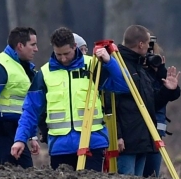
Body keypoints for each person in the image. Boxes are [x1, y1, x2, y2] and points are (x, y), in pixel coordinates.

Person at [39, 26, 128, 169]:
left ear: (75, 46)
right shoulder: (45, 72)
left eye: (66, 53)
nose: (63, 58)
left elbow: (124, 85)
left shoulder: (92, 65)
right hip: (60, 147)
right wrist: (22, 138)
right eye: (58, 54)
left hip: (93, 143)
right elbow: (31, 109)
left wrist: (109, 62)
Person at [110, 24, 181, 178]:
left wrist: (167, 89)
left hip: (143, 137)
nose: (151, 48)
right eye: (149, 44)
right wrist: (117, 135)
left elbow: (150, 103)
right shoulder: (118, 66)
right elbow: (111, 104)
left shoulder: (140, 67)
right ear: (141, 44)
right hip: (127, 140)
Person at [0, 26, 44, 167]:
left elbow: (26, 105)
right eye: (33, 45)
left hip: (17, 132)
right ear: (20, 46)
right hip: (0, 134)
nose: (36, 49)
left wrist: (32, 135)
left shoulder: (24, 67)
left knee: (26, 176)